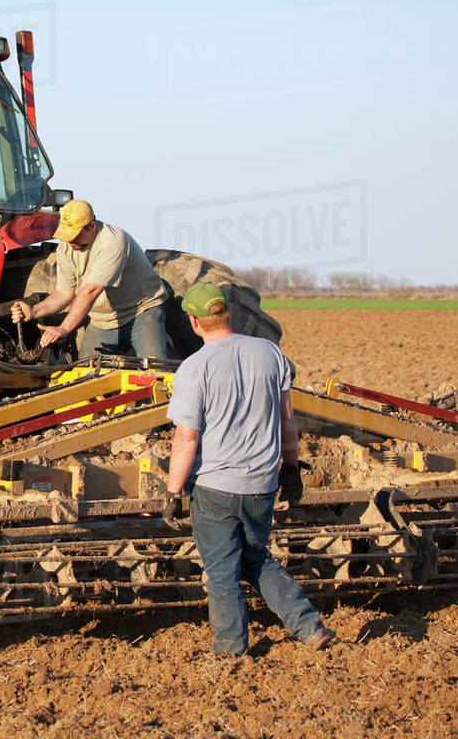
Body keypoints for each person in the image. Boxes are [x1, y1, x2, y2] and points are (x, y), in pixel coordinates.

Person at [163, 281, 335, 656]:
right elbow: (288, 421)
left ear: (194, 322)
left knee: (223, 572)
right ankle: (309, 627)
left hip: (215, 489)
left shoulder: (194, 368)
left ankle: (230, 650)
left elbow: (187, 439)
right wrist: (291, 469)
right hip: (262, 484)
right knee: (257, 558)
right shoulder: (270, 353)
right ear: (228, 313)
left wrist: (174, 491)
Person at [10, 199, 169, 358]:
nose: (70, 241)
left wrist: (63, 328)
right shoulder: (66, 247)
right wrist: (33, 311)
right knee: (86, 371)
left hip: (141, 311)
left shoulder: (112, 242)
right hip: (103, 320)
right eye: (66, 236)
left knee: (155, 371)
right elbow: (64, 294)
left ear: (91, 227)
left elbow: (91, 291)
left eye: (74, 236)